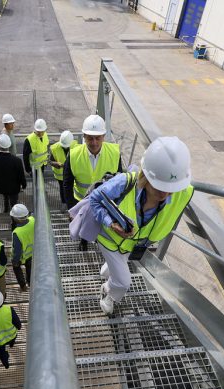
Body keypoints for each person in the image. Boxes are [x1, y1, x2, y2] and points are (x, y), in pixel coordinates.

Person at [91, 137, 194, 315]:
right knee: (123, 282)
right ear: (145, 175)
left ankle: (108, 271)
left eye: (171, 187)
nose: (165, 193)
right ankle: (108, 294)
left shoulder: (180, 192)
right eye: (158, 186)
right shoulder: (124, 182)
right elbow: (94, 199)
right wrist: (111, 223)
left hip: (132, 244)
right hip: (109, 240)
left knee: (119, 263)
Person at [63, 114, 122, 250]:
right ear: (84, 136)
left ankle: (98, 242)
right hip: (82, 201)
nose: (94, 142)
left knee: (101, 225)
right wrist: (71, 209)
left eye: (98, 138)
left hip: (104, 202)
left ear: (104, 136)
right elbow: (67, 184)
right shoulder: (73, 155)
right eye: (90, 138)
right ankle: (83, 241)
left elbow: (120, 181)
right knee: (83, 224)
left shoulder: (114, 153)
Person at [0, 134, 27, 212]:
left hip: (0, 187)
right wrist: (24, 185)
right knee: (14, 200)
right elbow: (21, 177)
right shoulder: (17, 161)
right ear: (9, 145)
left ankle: (6, 208)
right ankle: (14, 212)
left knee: (5, 195)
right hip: (13, 188)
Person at [49, 130, 78, 206]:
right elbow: (50, 161)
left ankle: (72, 204)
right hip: (60, 176)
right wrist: (55, 163)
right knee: (63, 190)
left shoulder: (75, 145)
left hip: (72, 173)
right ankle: (64, 203)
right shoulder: (54, 148)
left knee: (73, 189)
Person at [10, 203, 33, 292]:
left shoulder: (17, 233)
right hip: (34, 253)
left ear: (16, 219)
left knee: (16, 268)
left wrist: (15, 261)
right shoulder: (32, 220)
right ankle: (30, 283)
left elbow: (17, 250)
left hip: (24, 256)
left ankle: (23, 286)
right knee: (30, 269)